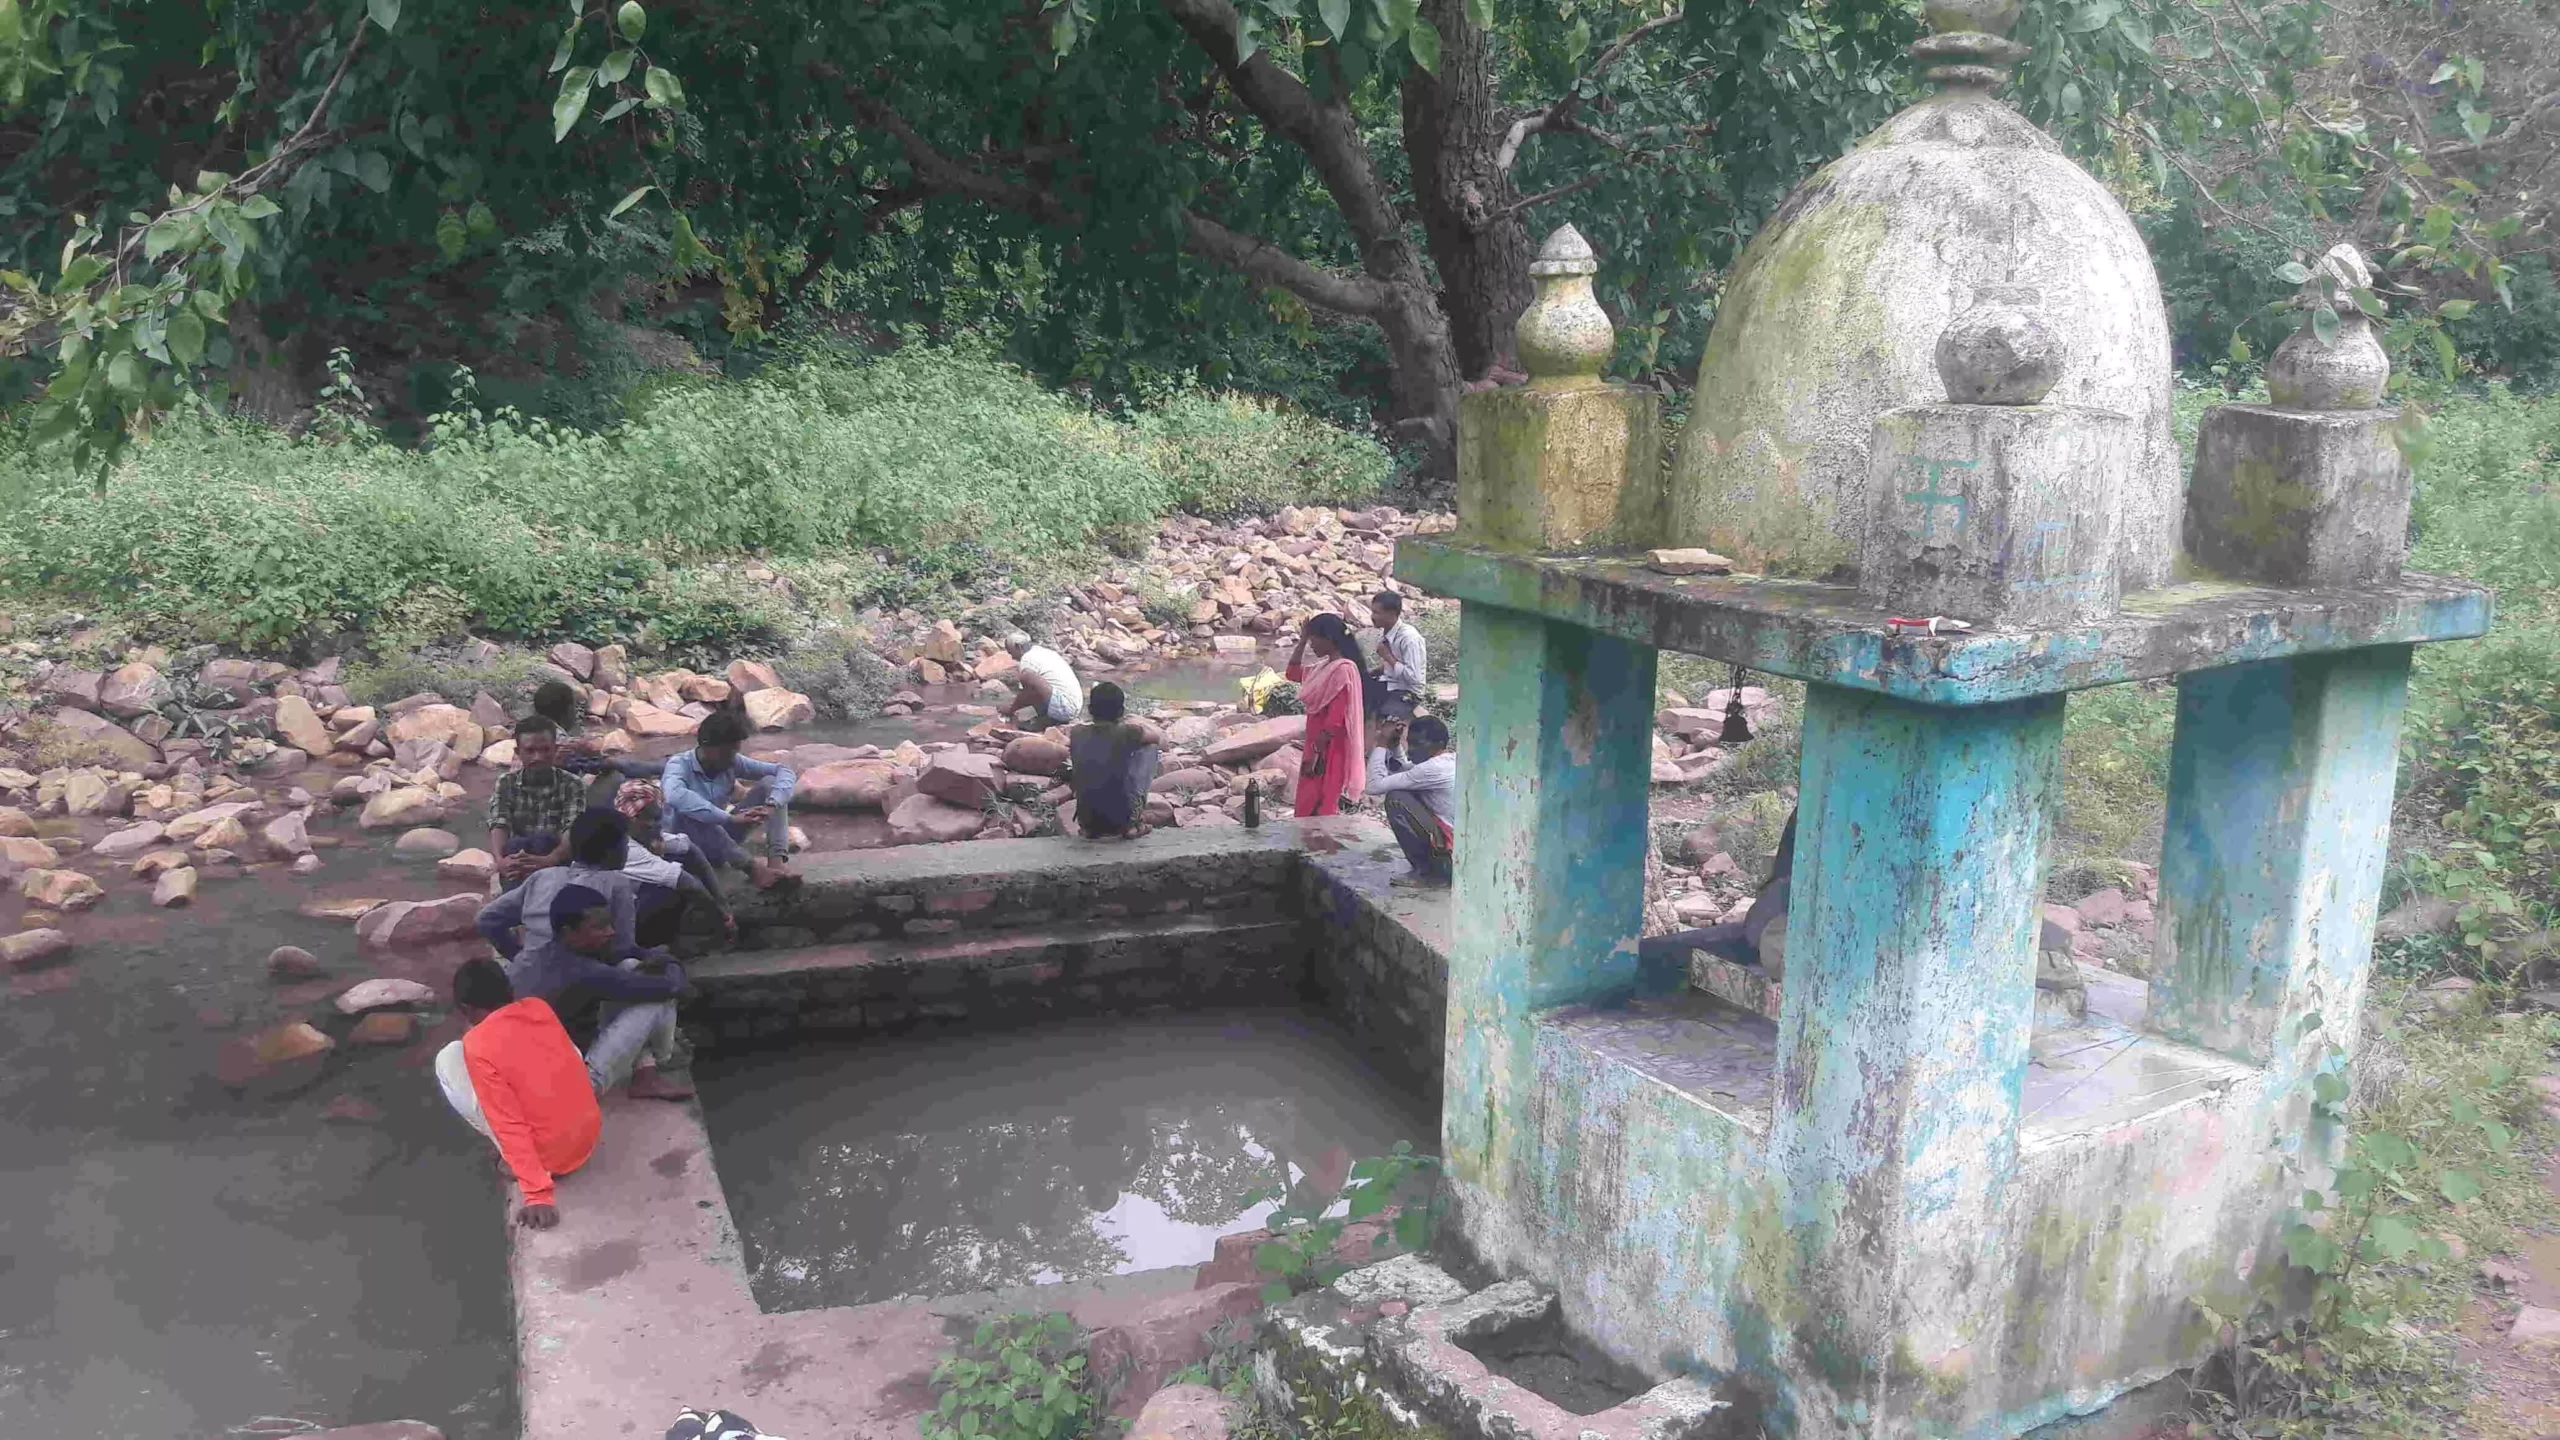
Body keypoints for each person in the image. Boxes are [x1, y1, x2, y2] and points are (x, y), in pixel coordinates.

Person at [434, 958, 599, 1230]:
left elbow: (507, 1121)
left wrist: (537, 1194)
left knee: (448, 1058)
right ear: (509, 991)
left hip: (553, 1159)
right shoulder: (539, 1008)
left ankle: (514, 1159)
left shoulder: (477, 1043)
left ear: (465, 1008)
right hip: (586, 1139)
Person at [505, 883, 694, 1100]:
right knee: (659, 999)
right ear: (569, 932)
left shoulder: (531, 957)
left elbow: (621, 958)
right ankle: (663, 1059)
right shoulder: (584, 971)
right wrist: (671, 960)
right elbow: (672, 986)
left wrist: (645, 955)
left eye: (609, 924)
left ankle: (645, 1071)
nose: (610, 932)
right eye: (599, 927)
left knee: (629, 967)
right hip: (571, 1090)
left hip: (530, 1077)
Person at [477, 807, 646, 959]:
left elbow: (486, 919)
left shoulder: (543, 877)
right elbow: (624, 948)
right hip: (582, 981)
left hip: (528, 972)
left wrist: (518, 956)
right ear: (611, 852)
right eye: (625, 844)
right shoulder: (617, 883)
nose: (628, 849)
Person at [660, 710, 797, 891]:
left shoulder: (732, 761)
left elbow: (783, 772)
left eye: (735, 751)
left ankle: (776, 863)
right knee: (690, 811)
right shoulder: (679, 765)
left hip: (719, 843)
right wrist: (729, 819)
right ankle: (753, 869)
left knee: (770, 785)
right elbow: (675, 795)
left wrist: (772, 804)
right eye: (726, 752)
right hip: (685, 848)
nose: (732, 757)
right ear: (706, 745)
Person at [613, 778, 735, 949]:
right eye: (649, 819)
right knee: (672, 886)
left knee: (678, 861)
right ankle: (659, 945)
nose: (655, 825)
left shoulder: (645, 834)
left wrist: (722, 901)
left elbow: (691, 850)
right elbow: (688, 883)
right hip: (620, 925)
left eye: (657, 817)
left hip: (634, 903)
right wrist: (721, 919)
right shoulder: (626, 848)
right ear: (630, 820)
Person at [487, 716, 591, 885]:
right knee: (516, 846)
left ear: (555, 749)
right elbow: (499, 823)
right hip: (518, 859)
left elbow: (571, 828)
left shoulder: (572, 784)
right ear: (517, 752)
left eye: (545, 750)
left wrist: (550, 859)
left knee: (544, 839)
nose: (538, 757)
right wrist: (500, 861)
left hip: (556, 859)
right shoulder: (507, 782)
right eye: (530, 751)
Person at [1284, 613, 1369, 818]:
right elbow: (1292, 673)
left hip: (1329, 746)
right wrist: (1302, 641)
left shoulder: (1342, 669)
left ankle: (1322, 844)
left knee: (1324, 797)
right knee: (1309, 794)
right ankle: (1309, 841)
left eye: (1314, 638)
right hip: (1317, 741)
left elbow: (1335, 720)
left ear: (1329, 639)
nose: (1312, 644)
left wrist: (1316, 751)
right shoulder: (1324, 666)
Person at [1065, 682, 1162, 839]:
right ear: (1122, 711)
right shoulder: (1129, 732)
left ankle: (1090, 828)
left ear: (1090, 710)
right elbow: (1157, 738)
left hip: (1087, 819)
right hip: (1120, 820)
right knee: (1149, 748)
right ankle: (1133, 823)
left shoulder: (1076, 733)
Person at [1367, 714, 1454, 887]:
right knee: (1405, 790)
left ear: (1436, 744)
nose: (1411, 749)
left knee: (1396, 799)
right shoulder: (1447, 761)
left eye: (1417, 744)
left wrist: (1382, 743)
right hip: (1459, 843)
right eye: (1409, 743)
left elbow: (1374, 786)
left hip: (1452, 853)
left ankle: (1428, 874)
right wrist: (1395, 745)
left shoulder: (1431, 769)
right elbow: (1405, 769)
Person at [532, 679, 664, 785]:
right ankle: (662, 769)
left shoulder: (530, 734)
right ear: (566, 712)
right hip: (554, 810)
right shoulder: (563, 745)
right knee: (615, 775)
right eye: (574, 707)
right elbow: (599, 763)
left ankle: (659, 768)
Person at [1002, 631, 1083, 730]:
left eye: (1011, 652)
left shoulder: (1027, 659)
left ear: (1018, 647)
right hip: (1075, 706)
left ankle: (1048, 721)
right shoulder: (1042, 651)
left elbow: (1027, 693)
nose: (1012, 657)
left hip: (1065, 708)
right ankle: (1045, 719)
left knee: (1027, 677)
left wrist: (1011, 710)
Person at [1368, 590, 1427, 723]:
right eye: (1372, 612)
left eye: (1377, 613)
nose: (1372, 617)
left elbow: (1413, 677)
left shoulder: (1409, 638)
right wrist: (1374, 672)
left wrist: (1388, 656)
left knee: (1387, 722)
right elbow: (1392, 667)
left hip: (1407, 691)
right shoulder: (1387, 632)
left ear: (1391, 614)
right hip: (1389, 683)